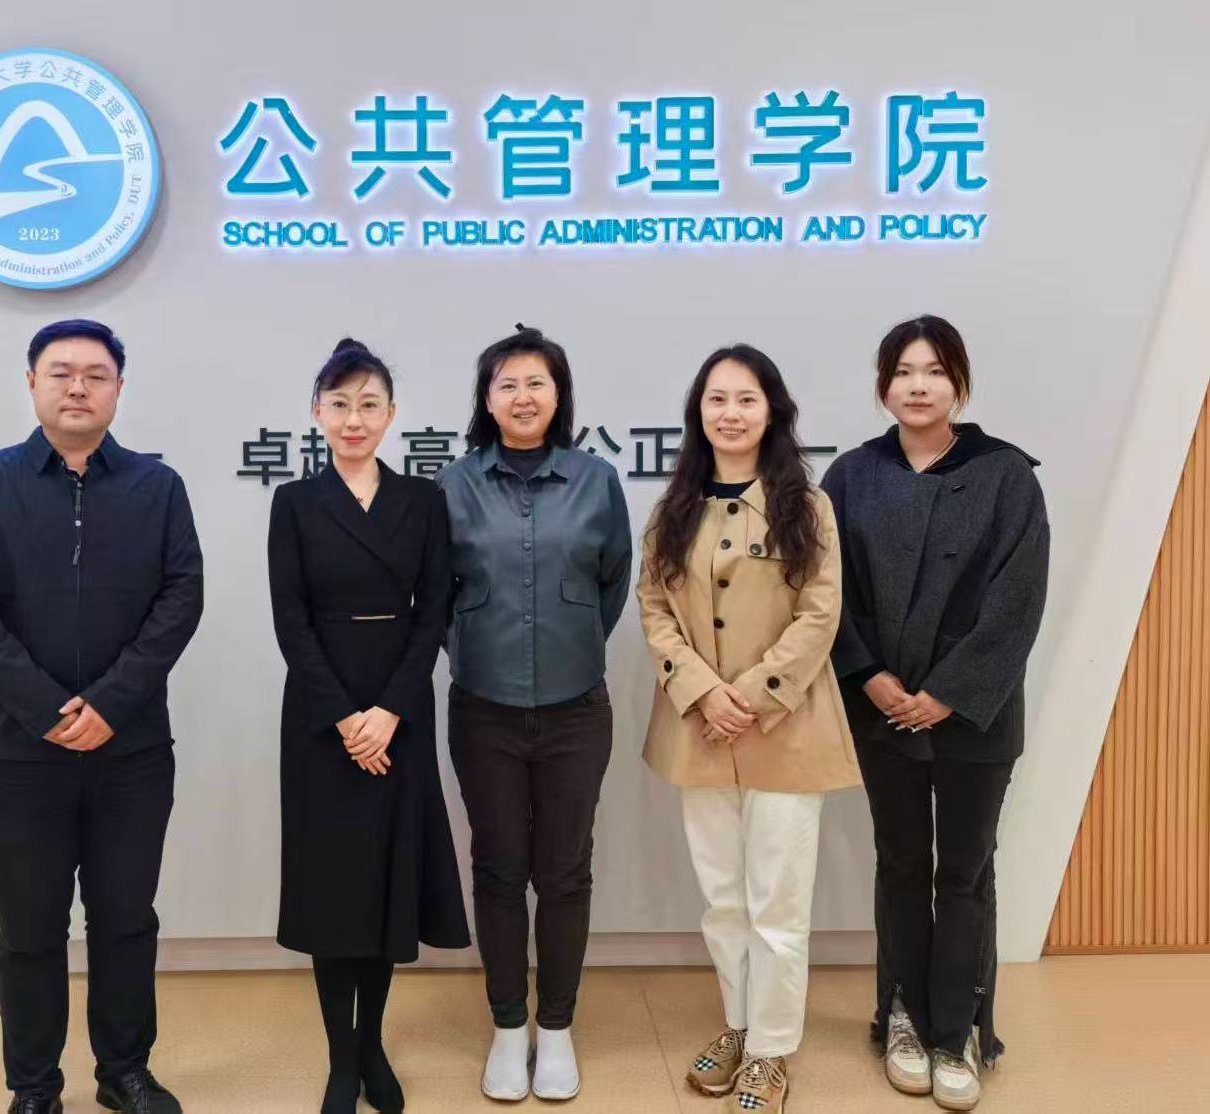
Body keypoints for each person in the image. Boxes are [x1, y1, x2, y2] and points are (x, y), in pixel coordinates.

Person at [0, 319, 203, 1114]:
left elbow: (180, 597)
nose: (77, 386)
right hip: (18, 753)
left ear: (118, 387)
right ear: (32, 384)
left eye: (95, 374)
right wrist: (45, 707)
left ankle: (124, 1073)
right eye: (60, 372)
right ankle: (34, 1086)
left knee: (125, 920)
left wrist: (111, 703)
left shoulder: (157, 487)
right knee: (28, 929)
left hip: (132, 750)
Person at [821, 315, 1049, 1112]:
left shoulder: (1004, 475)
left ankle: (960, 1031)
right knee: (898, 864)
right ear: (882, 385)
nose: (917, 386)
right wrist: (867, 676)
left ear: (959, 382)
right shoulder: (851, 475)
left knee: (963, 873)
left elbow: (1016, 602)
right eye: (902, 372)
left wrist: (948, 691)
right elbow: (824, 591)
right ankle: (900, 1019)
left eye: (934, 371)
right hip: (880, 710)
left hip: (974, 716)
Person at [638, 344, 860, 1114]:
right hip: (700, 730)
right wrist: (703, 693)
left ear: (772, 411)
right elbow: (654, 611)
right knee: (723, 901)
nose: (729, 413)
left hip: (784, 729)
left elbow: (819, 613)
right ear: (697, 412)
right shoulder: (672, 509)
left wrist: (753, 693)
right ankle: (737, 1024)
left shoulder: (806, 507)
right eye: (715, 399)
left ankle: (770, 1050)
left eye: (745, 399)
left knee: (776, 905)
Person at [267, 338, 470, 1114]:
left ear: (390, 415)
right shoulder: (294, 502)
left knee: (384, 880)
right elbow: (290, 620)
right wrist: (347, 717)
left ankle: (372, 1043)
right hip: (320, 717)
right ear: (316, 412)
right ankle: (339, 1058)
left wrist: (387, 711)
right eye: (340, 404)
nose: (354, 419)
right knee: (332, 888)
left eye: (369, 404)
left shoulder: (422, 499)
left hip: (399, 707)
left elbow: (433, 610)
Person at [435, 324, 633, 1102]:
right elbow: (436, 594)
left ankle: (555, 1028)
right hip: (481, 709)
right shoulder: (453, 484)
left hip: (576, 710)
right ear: (487, 400)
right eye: (507, 384)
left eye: (536, 383)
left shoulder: (596, 480)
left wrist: (565, 646)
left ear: (559, 396)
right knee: (496, 867)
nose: (522, 397)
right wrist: (477, 648)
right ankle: (506, 1025)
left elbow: (611, 583)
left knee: (564, 870)